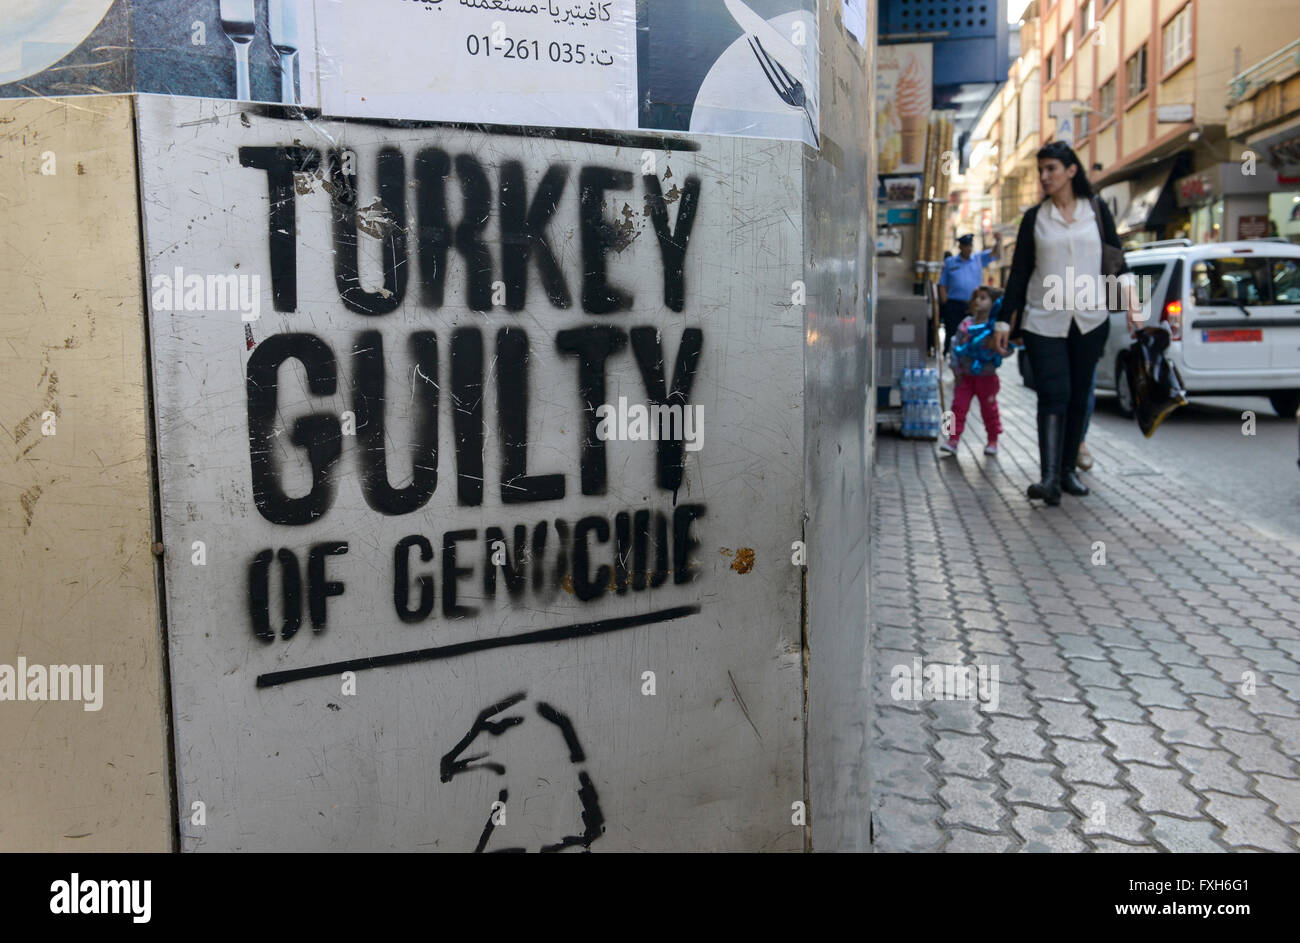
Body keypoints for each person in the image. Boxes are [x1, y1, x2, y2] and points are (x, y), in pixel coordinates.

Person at [992, 140, 1140, 505]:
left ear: (1071, 170)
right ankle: (1049, 477)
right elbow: (1020, 273)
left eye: (1051, 169)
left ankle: (1069, 471)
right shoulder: (1035, 218)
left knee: (1078, 397)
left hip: (1090, 320)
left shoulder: (1096, 210)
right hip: (1045, 320)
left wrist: (1135, 308)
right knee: (1053, 395)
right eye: (1041, 170)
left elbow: (1118, 262)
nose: (1044, 176)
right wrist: (1002, 321)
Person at [939, 285, 1003, 457]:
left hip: (987, 378)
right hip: (964, 377)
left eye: (983, 298)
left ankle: (993, 440)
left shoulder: (995, 328)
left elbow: (1006, 349)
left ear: (993, 303)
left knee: (990, 410)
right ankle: (951, 440)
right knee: (957, 408)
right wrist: (955, 369)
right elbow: (955, 345)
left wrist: (996, 347)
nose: (978, 301)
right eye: (976, 297)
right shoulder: (966, 324)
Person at [938, 232, 1001, 355]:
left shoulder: (978, 259)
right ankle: (949, 354)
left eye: (970, 245)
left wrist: (998, 242)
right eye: (965, 245)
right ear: (960, 246)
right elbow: (942, 284)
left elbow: (995, 254)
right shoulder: (950, 262)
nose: (968, 248)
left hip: (973, 304)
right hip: (954, 304)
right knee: (952, 331)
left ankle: (971, 354)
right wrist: (945, 301)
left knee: (972, 331)